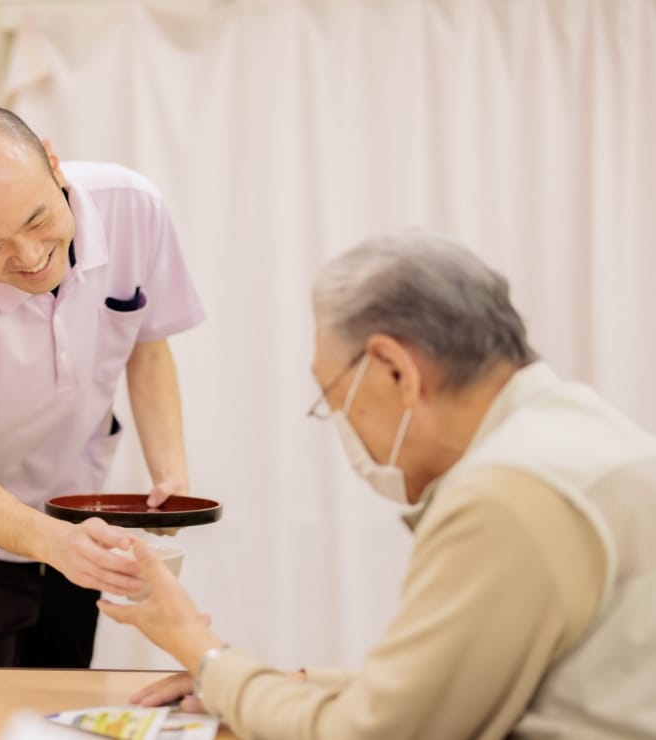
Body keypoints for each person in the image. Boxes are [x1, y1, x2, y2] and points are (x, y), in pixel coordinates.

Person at [99, 230, 656, 738]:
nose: (345, 425)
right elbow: (438, 689)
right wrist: (256, 680)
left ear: (394, 370)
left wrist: (197, 647)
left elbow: (372, 734)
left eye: (334, 399)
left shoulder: (509, 494)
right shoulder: (576, 432)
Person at [0, 106, 205, 668]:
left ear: (54, 165)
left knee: (63, 686)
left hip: (76, 500)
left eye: (37, 222)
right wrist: (57, 544)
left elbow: (148, 348)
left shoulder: (132, 206)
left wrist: (170, 477)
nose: (29, 257)